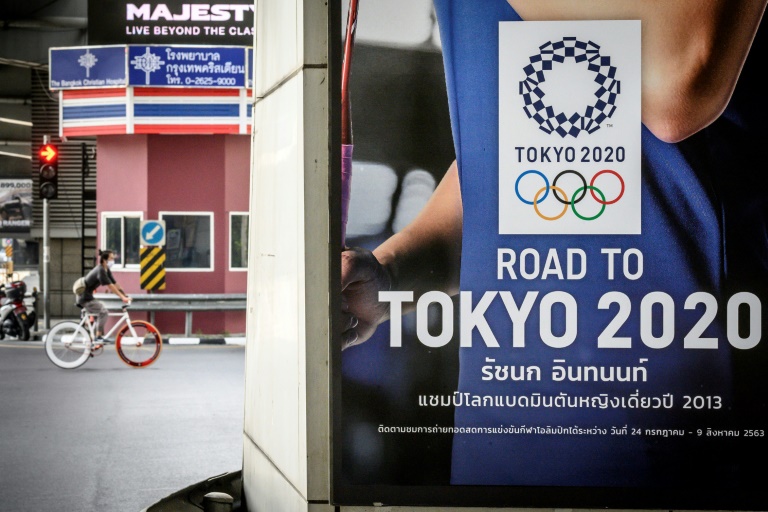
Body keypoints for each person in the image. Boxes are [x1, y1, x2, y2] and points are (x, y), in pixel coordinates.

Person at [341, 0, 768, 492]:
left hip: (680, 434)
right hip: (502, 435)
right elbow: (515, 164)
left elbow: (679, 79)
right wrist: (394, 273)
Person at [77, 249, 131, 344]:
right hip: (84, 298)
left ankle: (93, 338)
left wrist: (125, 294)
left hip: (88, 296)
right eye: (111, 259)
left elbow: (115, 284)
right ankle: (98, 337)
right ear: (104, 260)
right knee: (104, 312)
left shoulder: (106, 270)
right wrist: (122, 298)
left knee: (99, 314)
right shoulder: (100, 270)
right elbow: (111, 287)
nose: (113, 261)